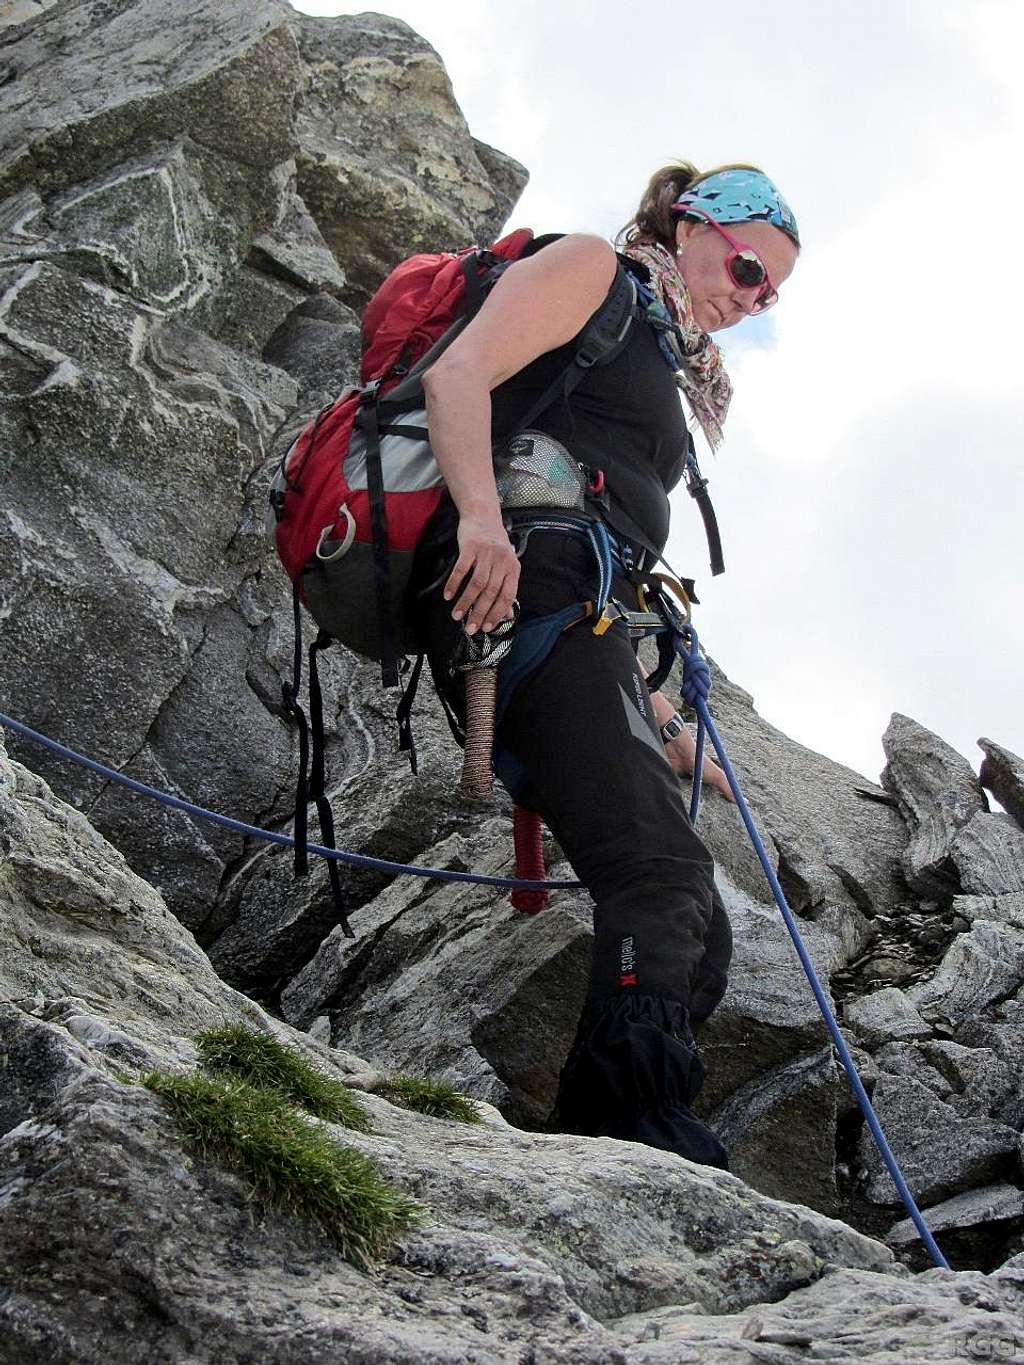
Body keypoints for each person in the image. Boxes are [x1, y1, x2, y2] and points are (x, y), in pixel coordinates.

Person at [412, 163, 800, 1169]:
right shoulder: (590, 268)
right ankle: (635, 1129)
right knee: (660, 877)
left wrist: (667, 725)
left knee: (698, 931)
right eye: (749, 267)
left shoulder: (662, 349)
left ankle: (596, 1141)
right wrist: (482, 526)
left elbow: (609, 561)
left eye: (769, 295)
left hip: (573, 617)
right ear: (689, 224)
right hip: (513, 598)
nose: (751, 297)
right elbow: (455, 375)